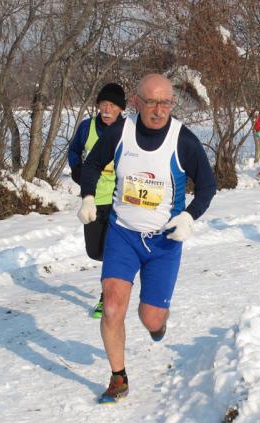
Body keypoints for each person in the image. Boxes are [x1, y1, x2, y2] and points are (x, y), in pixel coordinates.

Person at [77, 73, 217, 403]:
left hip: (164, 242)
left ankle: (158, 324)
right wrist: (86, 197)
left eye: (165, 102)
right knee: (111, 308)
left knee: (149, 317)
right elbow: (92, 164)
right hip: (123, 234)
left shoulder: (183, 140)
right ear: (137, 102)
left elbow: (208, 186)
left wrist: (188, 216)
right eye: (151, 102)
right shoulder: (119, 132)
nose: (158, 110)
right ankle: (118, 377)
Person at [68, 82, 126, 318]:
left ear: (120, 109)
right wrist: (77, 171)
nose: (107, 109)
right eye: (103, 104)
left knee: (112, 251)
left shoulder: (129, 130)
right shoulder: (87, 127)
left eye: (112, 105)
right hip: (92, 199)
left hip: (119, 200)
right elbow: (73, 151)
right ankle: (118, 278)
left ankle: (108, 296)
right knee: (95, 251)